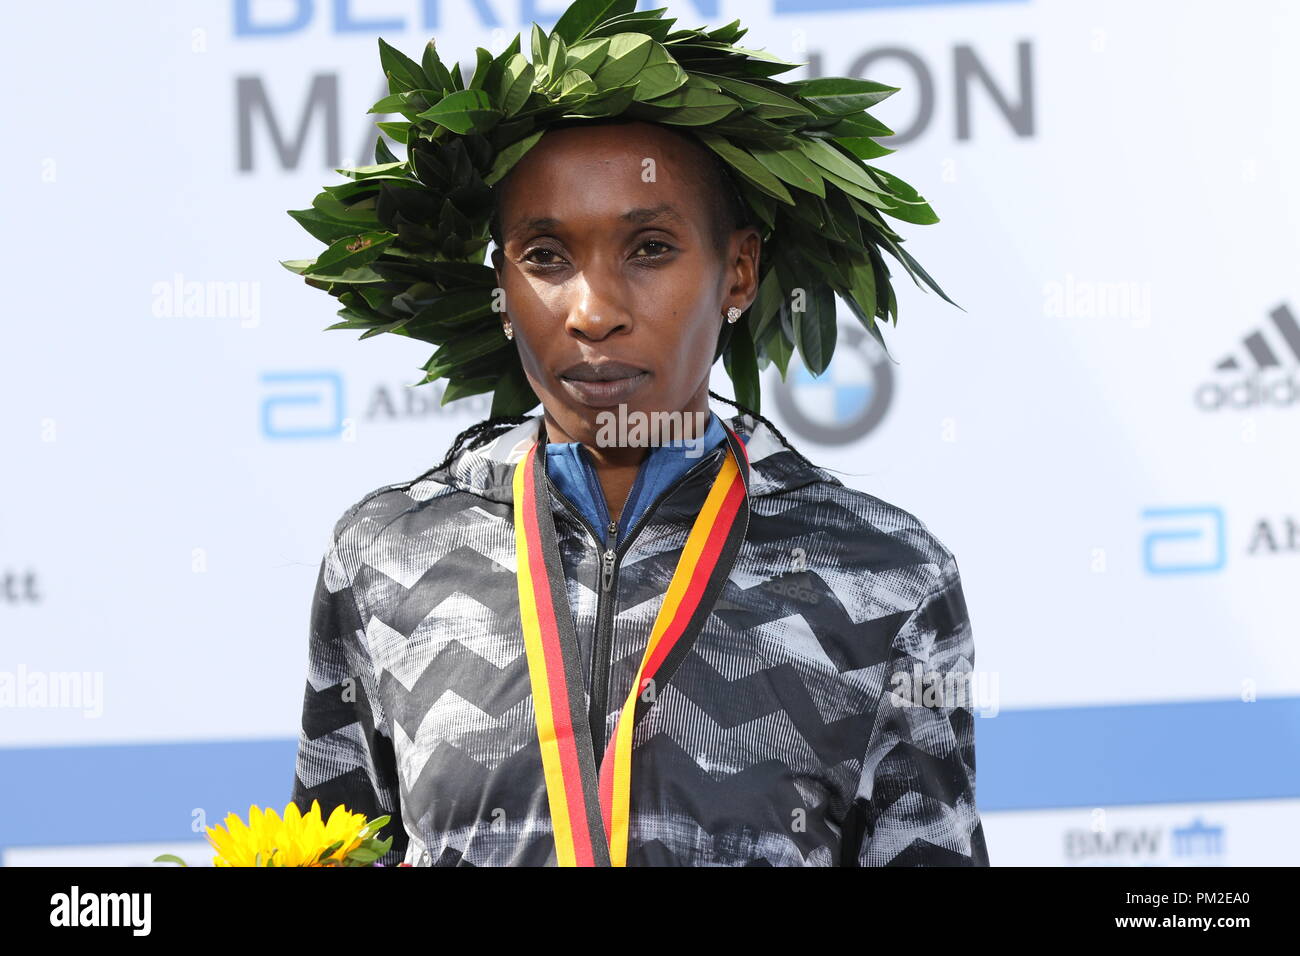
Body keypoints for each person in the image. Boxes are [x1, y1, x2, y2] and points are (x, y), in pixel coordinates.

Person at [287, 2, 988, 867]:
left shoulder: (884, 577)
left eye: (650, 248)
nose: (594, 311)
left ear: (738, 270)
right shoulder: (385, 557)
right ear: (499, 287)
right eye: (545, 257)